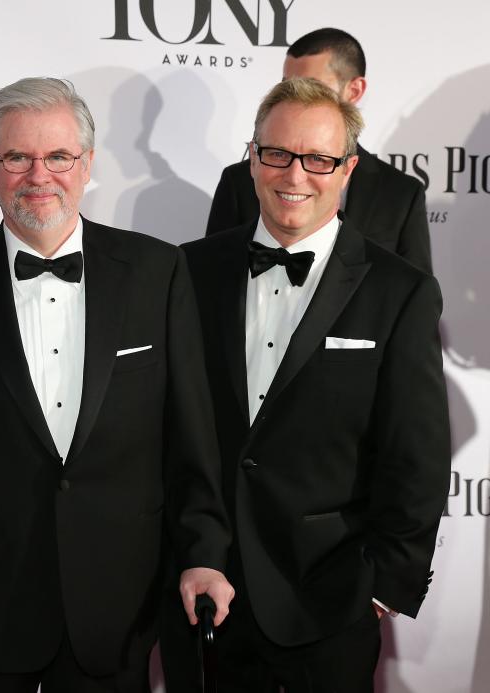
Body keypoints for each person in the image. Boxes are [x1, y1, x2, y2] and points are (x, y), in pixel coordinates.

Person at [0, 77, 234, 692]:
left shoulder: (158, 272)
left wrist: (204, 553)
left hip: (119, 604)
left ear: (88, 164)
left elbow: (191, 439)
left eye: (59, 157)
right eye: (18, 157)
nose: (38, 175)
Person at [173, 77, 449, 692]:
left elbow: (417, 453)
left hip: (330, 601)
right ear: (252, 158)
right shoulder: (188, 271)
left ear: (347, 169)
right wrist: (190, 553)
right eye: (277, 154)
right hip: (206, 595)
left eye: (319, 158)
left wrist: (382, 589)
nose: (295, 174)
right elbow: (172, 431)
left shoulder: (397, 291)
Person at [205, 27, 432, 273]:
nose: (295, 97)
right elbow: (212, 274)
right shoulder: (239, 181)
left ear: (354, 91)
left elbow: (412, 295)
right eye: (287, 85)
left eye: (313, 87)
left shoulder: (401, 194)